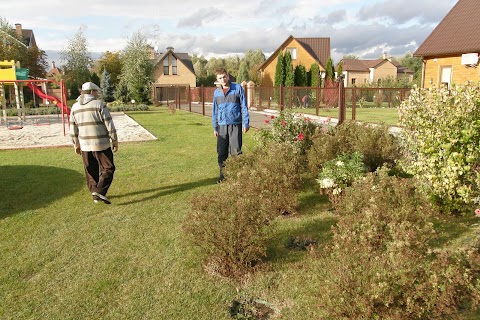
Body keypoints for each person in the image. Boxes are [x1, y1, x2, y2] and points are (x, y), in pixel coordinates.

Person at [70, 81, 118, 204]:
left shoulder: (74, 107)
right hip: (101, 143)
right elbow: (109, 124)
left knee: (90, 170)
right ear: (92, 92)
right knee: (108, 168)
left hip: (85, 145)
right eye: (96, 91)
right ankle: (100, 192)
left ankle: (95, 194)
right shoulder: (99, 104)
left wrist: (76, 144)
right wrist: (114, 140)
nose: (97, 94)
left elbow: (73, 128)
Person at [212, 68, 250, 183]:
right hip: (222, 126)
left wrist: (246, 123)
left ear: (228, 76)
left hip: (235, 125)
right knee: (222, 152)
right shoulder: (217, 92)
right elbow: (215, 110)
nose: (222, 79)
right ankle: (223, 177)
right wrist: (215, 127)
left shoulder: (237, 88)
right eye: (220, 78)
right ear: (217, 79)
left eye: (224, 77)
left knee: (236, 152)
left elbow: (244, 106)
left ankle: (238, 177)